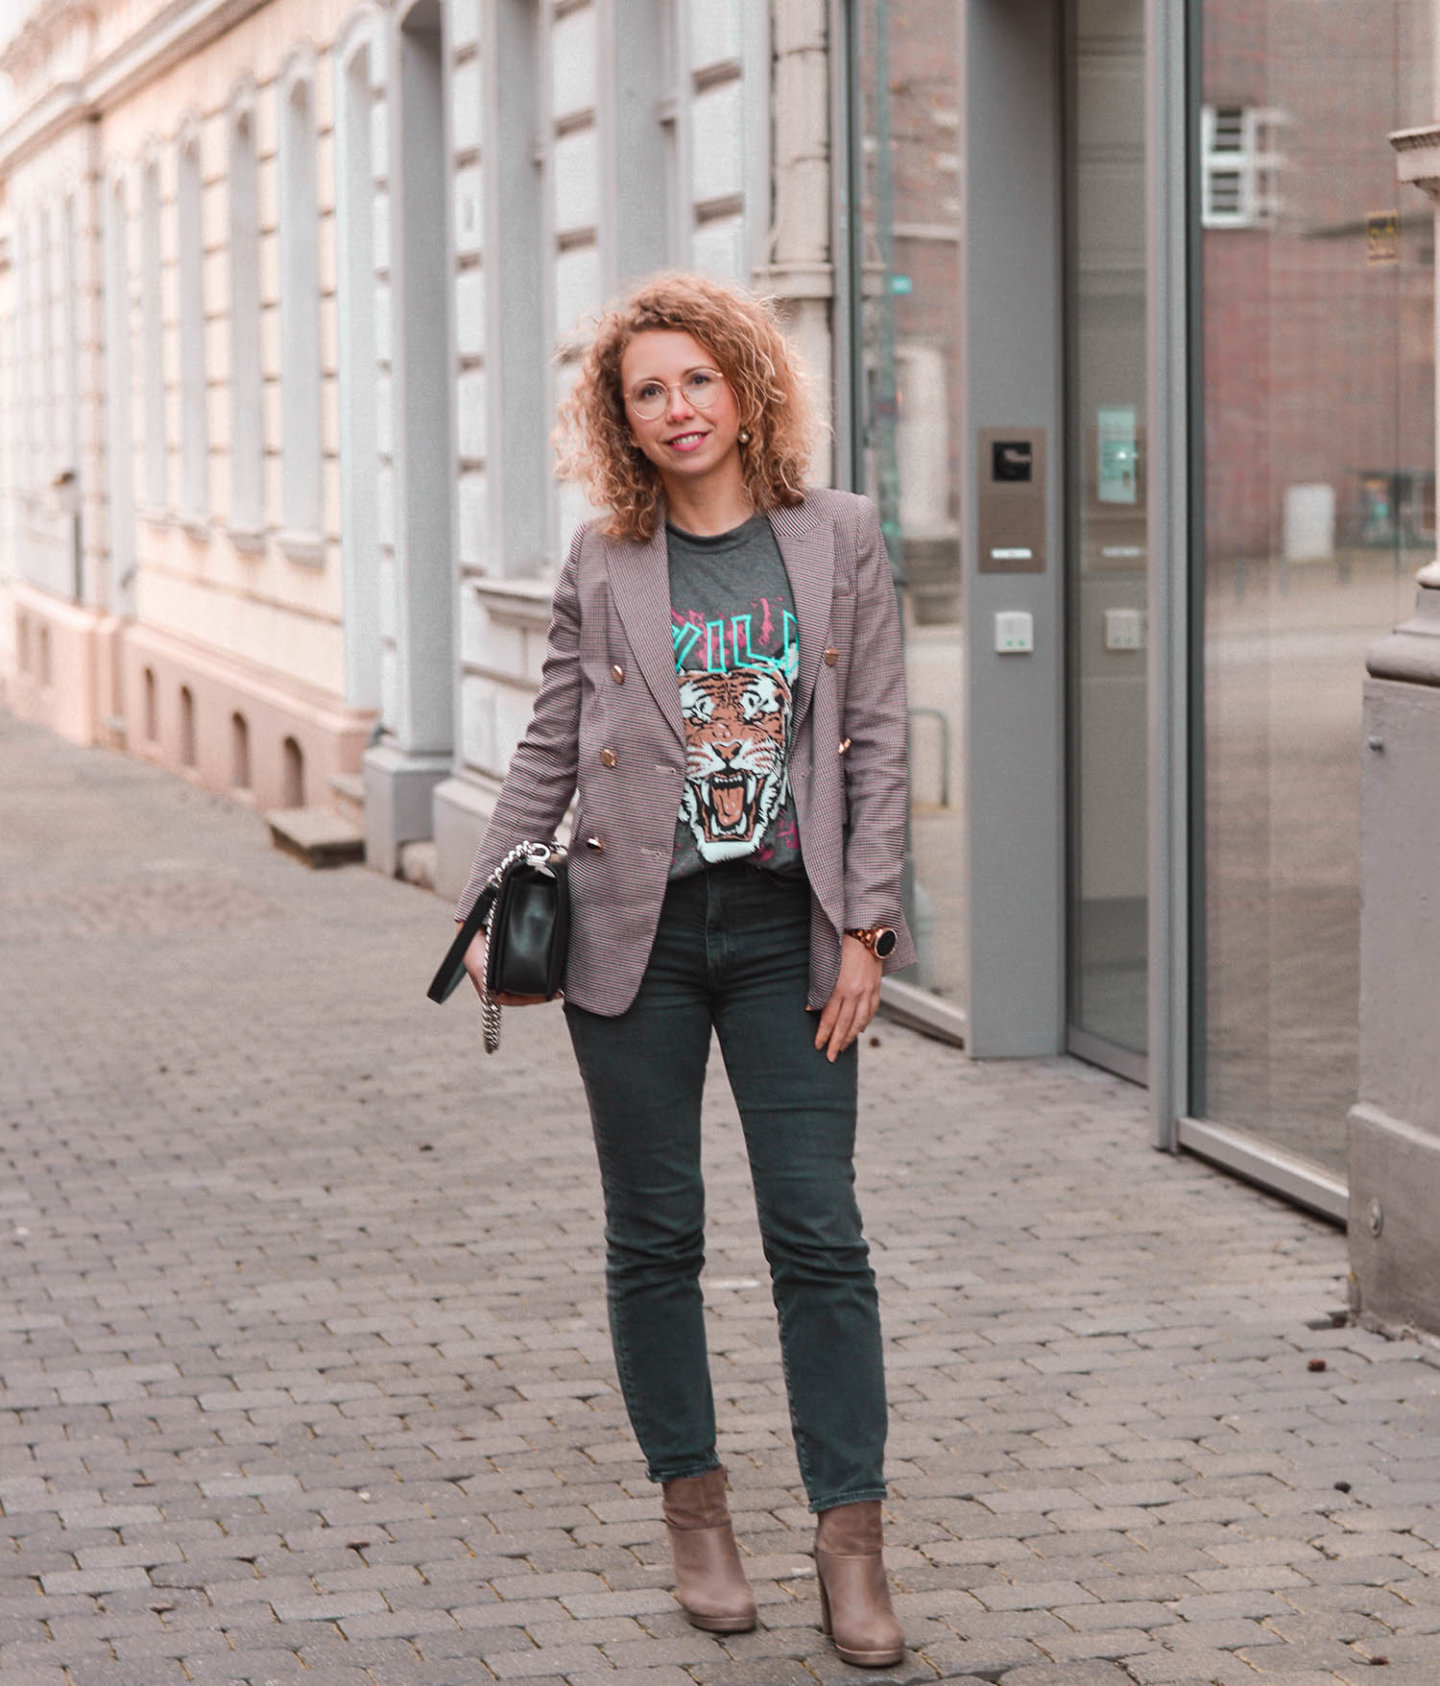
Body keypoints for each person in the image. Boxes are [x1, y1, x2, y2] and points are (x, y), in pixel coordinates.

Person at [454, 272, 913, 1668]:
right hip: (631, 937)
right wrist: (488, 896)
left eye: (697, 380)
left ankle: (851, 1542)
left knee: (818, 1234)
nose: (677, 409)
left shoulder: (836, 539)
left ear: (745, 383)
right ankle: (696, 1512)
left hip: (789, 935)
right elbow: (548, 739)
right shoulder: (605, 559)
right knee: (655, 1236)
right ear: (623, 419)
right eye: (647, 391)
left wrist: (869, 928)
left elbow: (880, 743)